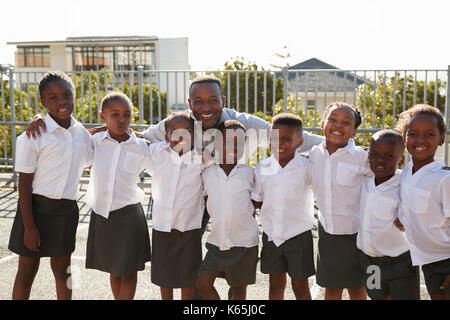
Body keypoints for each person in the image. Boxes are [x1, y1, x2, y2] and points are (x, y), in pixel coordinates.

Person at [8, 71, 93, 300]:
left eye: (66, 95)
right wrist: (29, 227)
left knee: (63, 271)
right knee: (27, 271)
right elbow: (24, 185)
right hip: (34, 210)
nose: (61, 101)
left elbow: (93, 152)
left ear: (74, 97)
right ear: (43, 102)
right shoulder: (34, 135)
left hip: (65, 211)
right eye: (52, 97)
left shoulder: (82, 134)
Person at [84, 92, 151, 300]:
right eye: (115, 114)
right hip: (103, 214)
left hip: (130, 216)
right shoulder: (94, 141)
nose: (122, 119)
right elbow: (72, 136)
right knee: (114, 269)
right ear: (103, 116)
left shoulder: (141, 146)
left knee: (129, 271)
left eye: (127, 115)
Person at [309, 102, 371, 300]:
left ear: (353, 132)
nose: (338, 125)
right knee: (332, 288)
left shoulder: (363, 157)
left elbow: (384, 179)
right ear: (322, 123)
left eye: (346, 122)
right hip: (328, 231)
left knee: (358, 287)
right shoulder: (314, 154)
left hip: (357, 233)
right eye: (333, 119)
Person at [251, 113, 315, 300]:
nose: (279, 143)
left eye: (286, 139)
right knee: (275, 285)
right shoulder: (262, 167)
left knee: (300, 286)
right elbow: (257, 200)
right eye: (274, 139)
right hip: (272, 234)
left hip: (298, 234)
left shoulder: (307, 167)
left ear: (300, 141)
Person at [196, 120, 259, 300]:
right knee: (202, 283)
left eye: (239, 143)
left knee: (238, 290)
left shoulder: (250, 173)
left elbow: (257, 201)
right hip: (217, 241)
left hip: (244, 243)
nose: (234, 146)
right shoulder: (207, 172)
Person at [146, 111, 205, 300]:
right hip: (162, 225)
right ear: (166, 136)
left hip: (189, 227)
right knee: (165, 277)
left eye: (187, 131)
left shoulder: (203, 159)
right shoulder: (157, 153)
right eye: (175, 132)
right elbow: (131, 140)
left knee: (188, 277)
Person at [394, 104, 450, 300]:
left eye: (429, 134)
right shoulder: (407, 171)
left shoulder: (444, 176)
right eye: (413, 134)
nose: (420, 140)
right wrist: (403, 217)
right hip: (427, 258)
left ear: (441, 138)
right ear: (404, 137)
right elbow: (411, 200)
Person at [357, 129, 420, 300]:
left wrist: (408, 218)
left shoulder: (405, 184)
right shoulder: (364, 181)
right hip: (370, 262)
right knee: (376, 297)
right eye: (375, 154)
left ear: (401, 160)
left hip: (400, 263)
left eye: (389, 156)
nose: (380, 160)